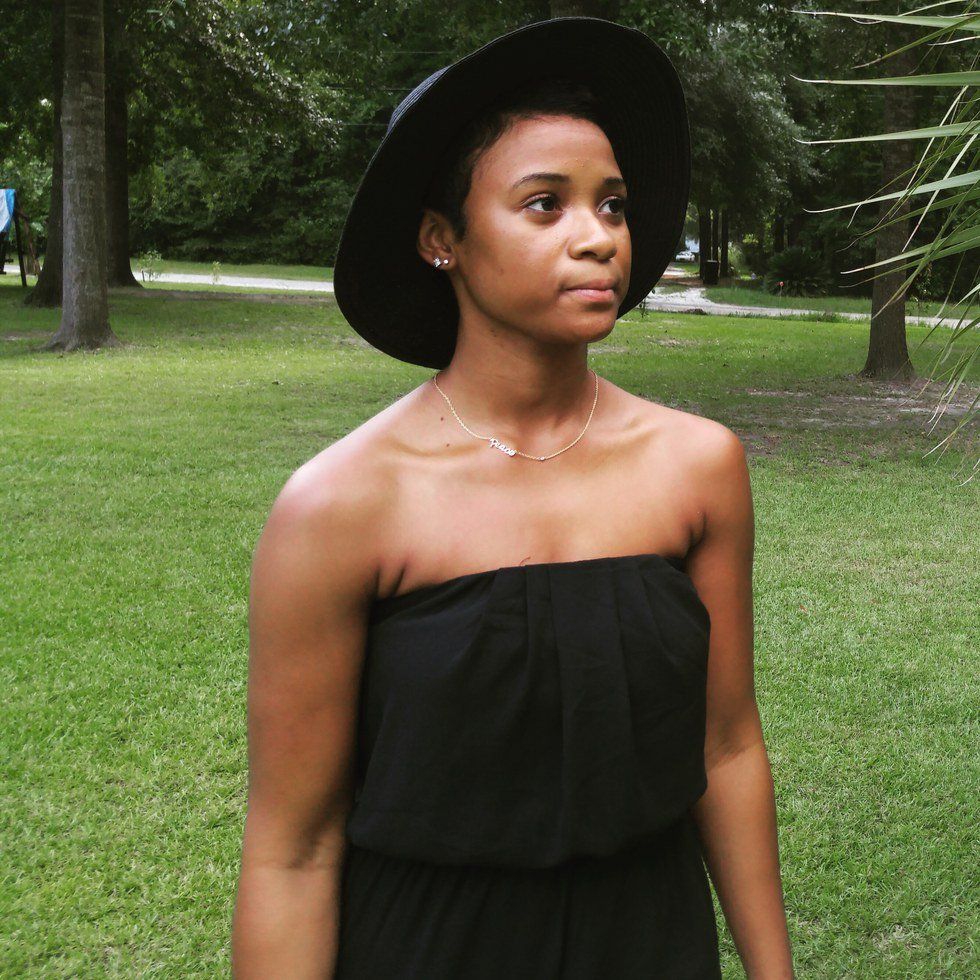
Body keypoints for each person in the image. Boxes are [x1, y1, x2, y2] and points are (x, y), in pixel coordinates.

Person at [231, 16, 794, 979]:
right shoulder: (342, 505)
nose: (598, 238)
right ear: (441, 240)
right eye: (545, 205)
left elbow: (727, 747)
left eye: (612, 205)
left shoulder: (699, 466)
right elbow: (294, 847)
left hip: (651, 946)